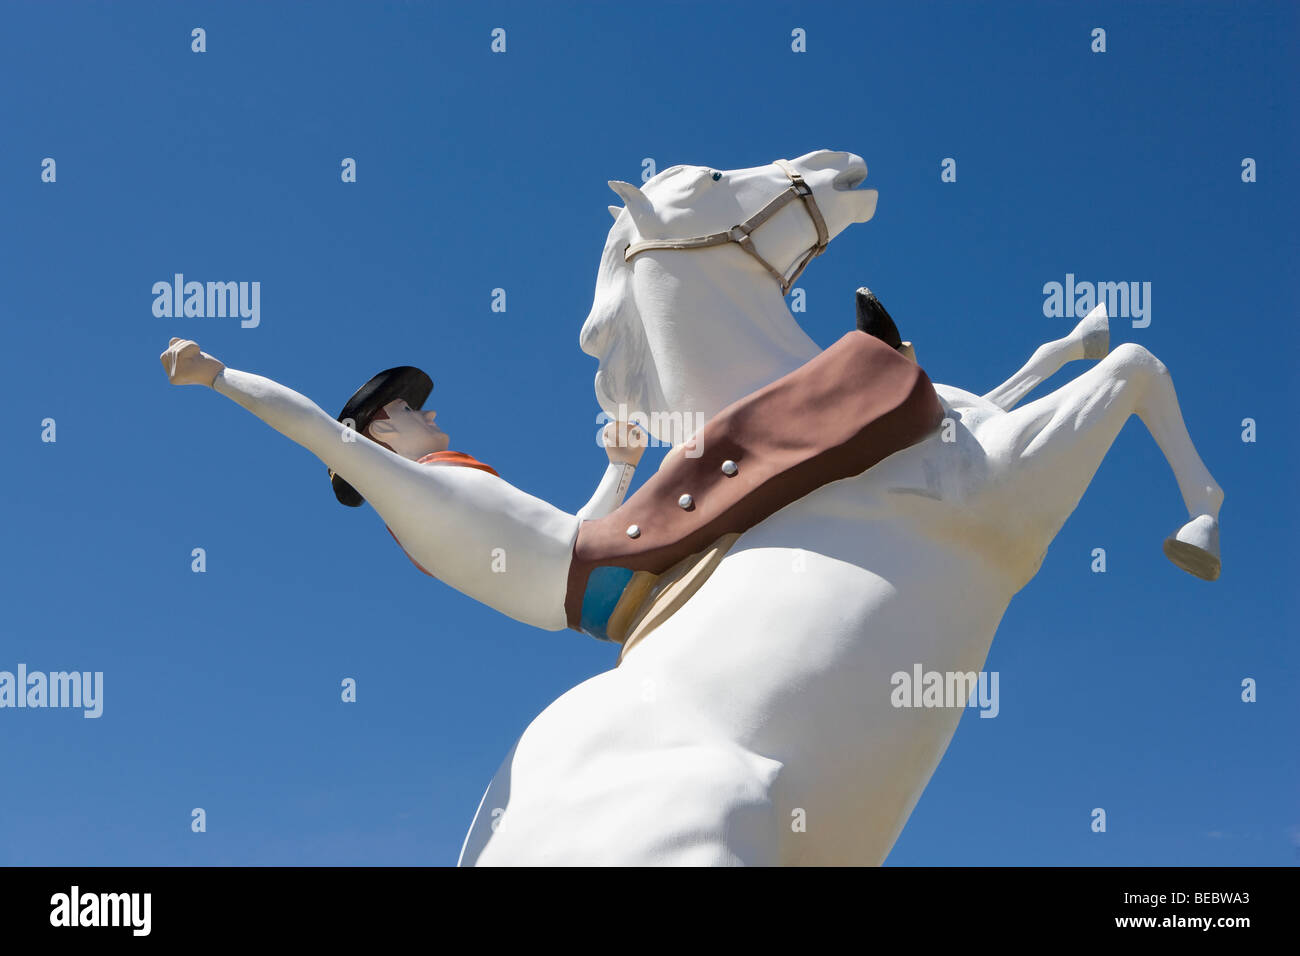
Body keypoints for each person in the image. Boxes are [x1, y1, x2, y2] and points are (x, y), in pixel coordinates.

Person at [159, 338, 644, 632]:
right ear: (379, 433)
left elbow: (579, 537)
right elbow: (315, 428)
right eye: (409, 410)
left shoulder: (454, 481)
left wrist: (620, 467)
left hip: (612, 573)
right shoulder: (418, 494)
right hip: (609, 582)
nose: (429, 413)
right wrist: (218, 376)